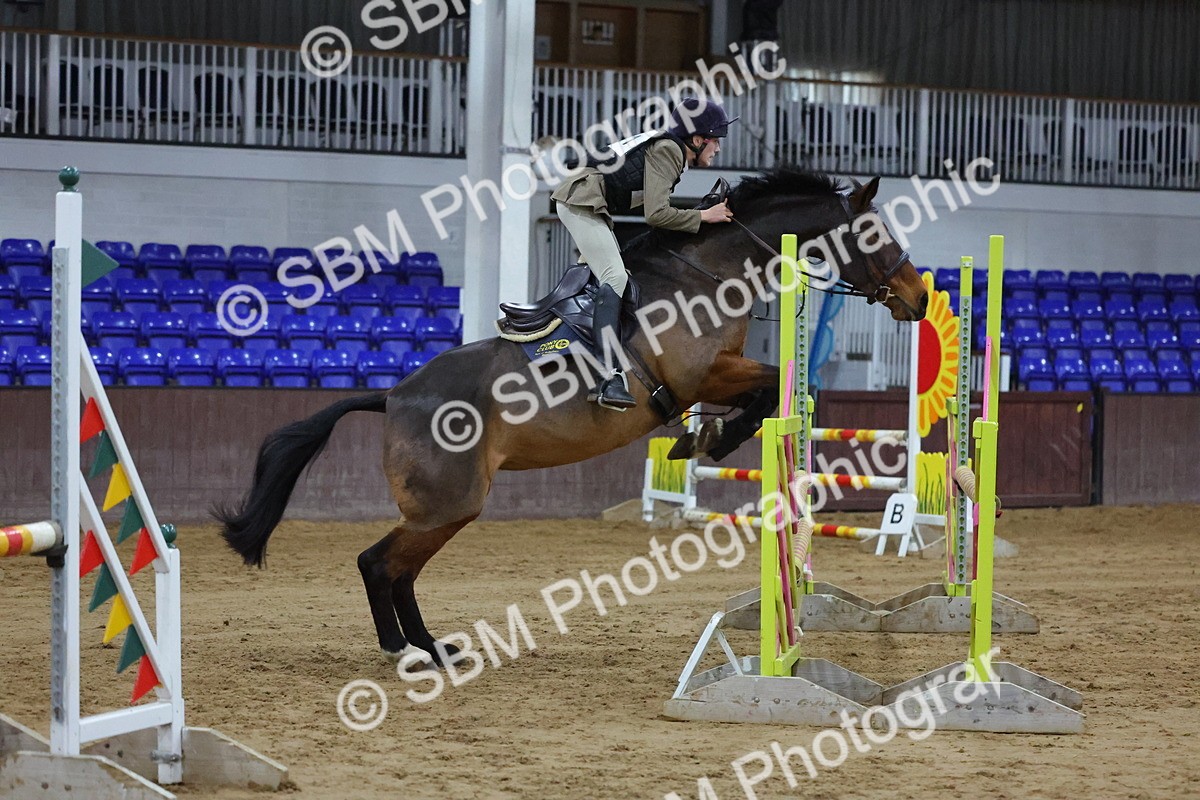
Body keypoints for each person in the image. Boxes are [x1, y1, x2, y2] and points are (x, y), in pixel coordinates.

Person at [551, 96, 738, 410]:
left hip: (590, 202)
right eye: (715, 141)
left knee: (615, 274)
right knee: (615, 278)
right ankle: (607, 377)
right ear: (697, 140)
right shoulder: (670, 150)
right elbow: (657, 215)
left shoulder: (670, 148)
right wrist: (704, 216)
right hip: (580, 201)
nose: (718, 148)